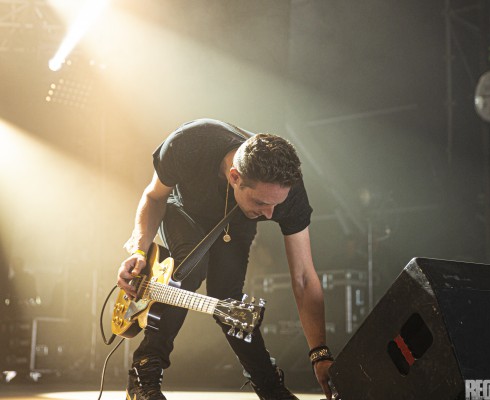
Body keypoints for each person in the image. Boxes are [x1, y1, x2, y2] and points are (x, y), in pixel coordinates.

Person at [117, 118, 334, 400]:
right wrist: (138, 250)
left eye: (275, 205)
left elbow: (304, 277)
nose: (270, 215)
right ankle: (143, 375)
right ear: (235, 177)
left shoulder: (288, 195)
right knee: (189, 269)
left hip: (235, 221)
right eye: (261, 202)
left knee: (227, 296)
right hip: (183, 211)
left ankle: (270, 388)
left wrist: (320, 354)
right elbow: (154, 196)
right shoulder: (189, 143)